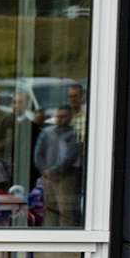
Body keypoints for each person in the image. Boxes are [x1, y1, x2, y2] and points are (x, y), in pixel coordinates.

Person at [34, 89, 84, 227]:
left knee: (65, 211)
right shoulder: (47, 133)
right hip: (47, 177)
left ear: (69, 118)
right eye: (58, 116)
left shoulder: (73, 134)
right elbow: (38, 153)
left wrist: (55, 171)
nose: (60, 119)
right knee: (49, 209)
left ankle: (65, 245)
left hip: (66, 177)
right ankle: (48, 242)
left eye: (64, 116)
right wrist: (45, 170)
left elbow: (71, 156)